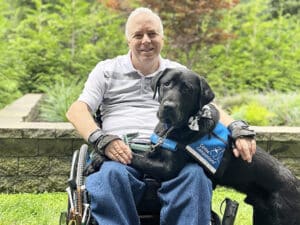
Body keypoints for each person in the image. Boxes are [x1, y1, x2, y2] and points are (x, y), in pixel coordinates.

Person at [66, 7, 256, 225]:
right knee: (108, 177)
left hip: (174, 154)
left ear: (162, 38)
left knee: (195, 177)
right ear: (128, 40)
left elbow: (210, 109)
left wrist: (237, 128)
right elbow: (76, 110)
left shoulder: (177, 72)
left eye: (152, 34)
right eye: (138, 35)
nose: (146, 40)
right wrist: (102, 139)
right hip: (121, 154)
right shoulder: (107, 70)